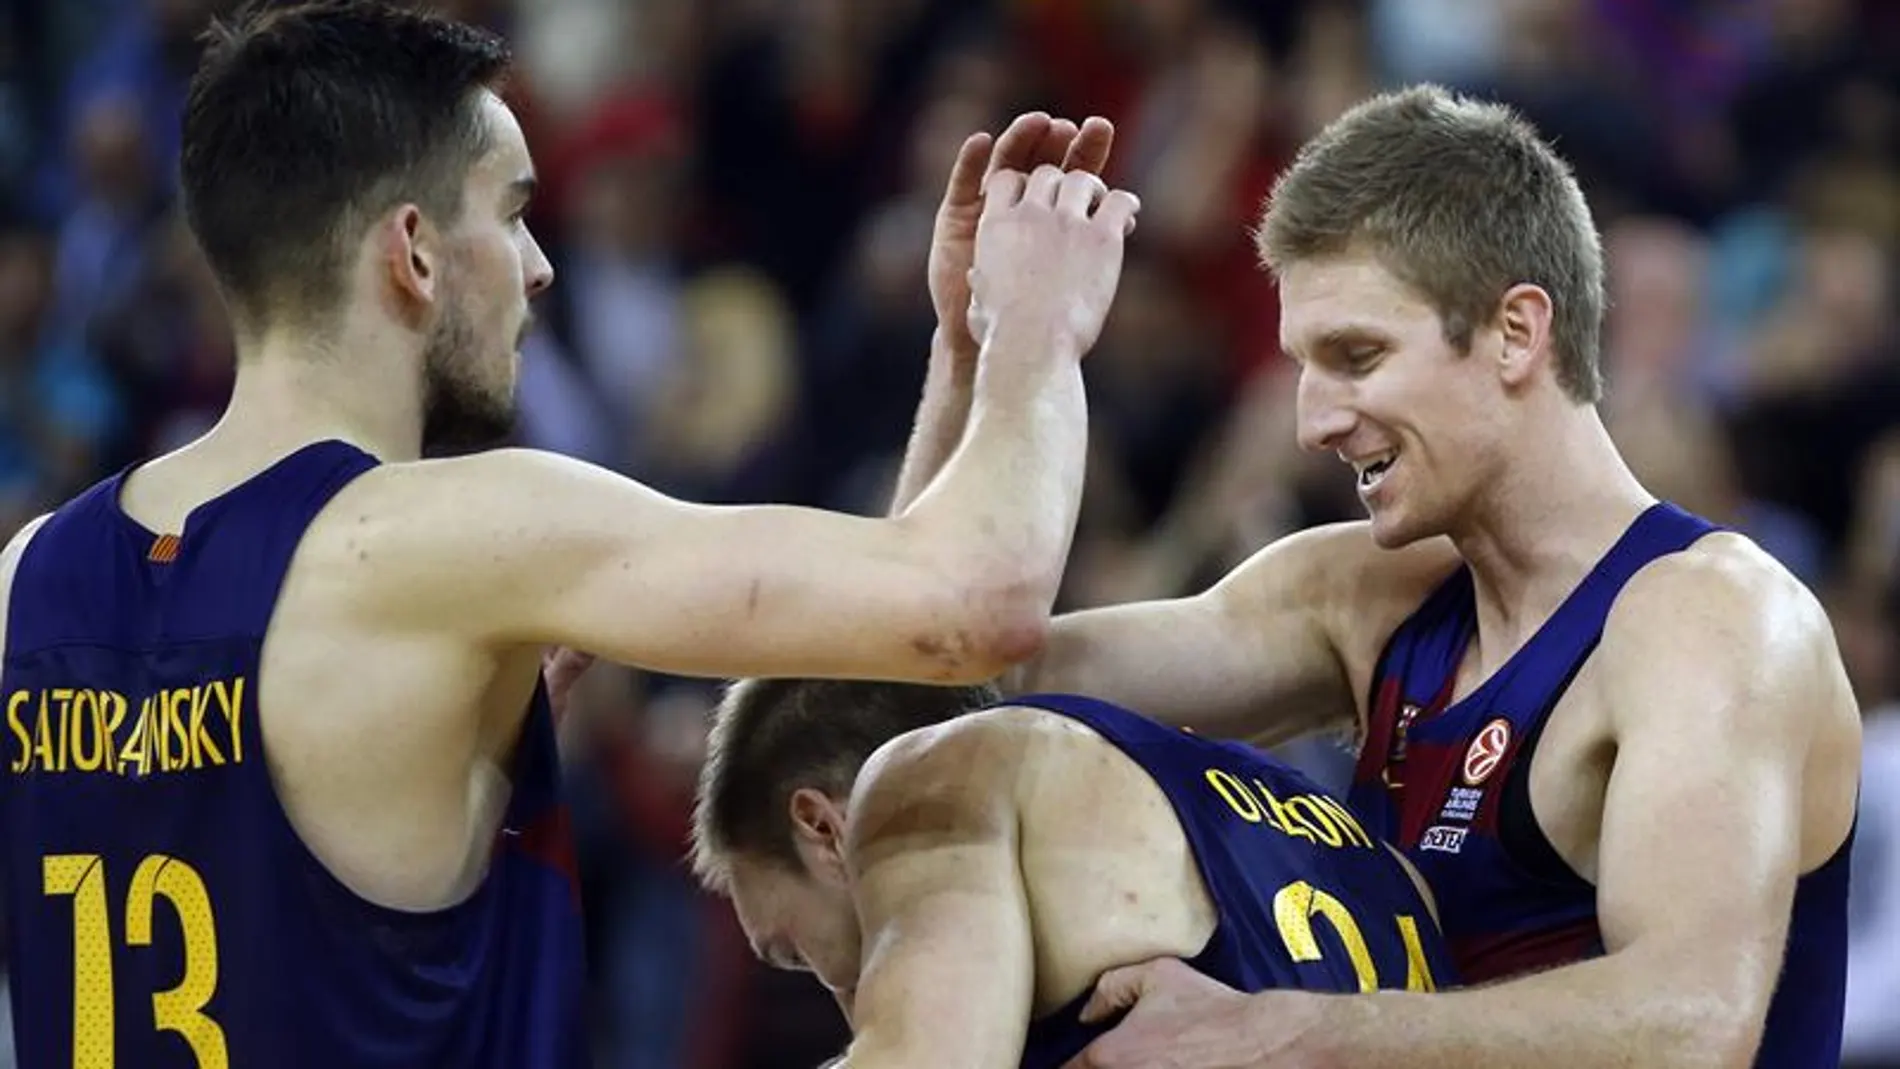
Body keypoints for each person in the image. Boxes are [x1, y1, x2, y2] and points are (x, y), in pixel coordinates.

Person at [0, 2, 1140, 1067]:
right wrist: (1034, 328)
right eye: (510, 211)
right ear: (414, 251)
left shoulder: (29, 576)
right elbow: (974, 600)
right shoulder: (461, 533)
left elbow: (233, 898)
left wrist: (954, 355)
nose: (541, 265)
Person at [894, 84, 1861, 1068]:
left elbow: (1693, 1024)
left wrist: (1281, 1030)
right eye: (1302, 368)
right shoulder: (1357, 597)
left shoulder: (1707, 615)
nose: (1314, 422)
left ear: (1517, 333)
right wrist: (983, 348)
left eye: (1355, 356)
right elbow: (950, 675)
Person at [689, 678, 1460, 1069]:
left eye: (797, 954)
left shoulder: (936, 773)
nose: (843, 1005)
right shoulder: (1361, 844)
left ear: (825, 828)